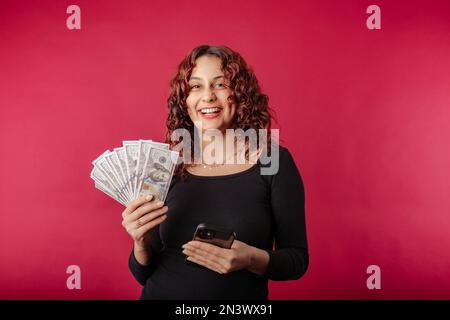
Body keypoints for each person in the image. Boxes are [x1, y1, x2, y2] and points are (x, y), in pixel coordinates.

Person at [121, 45, 309, 299]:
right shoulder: (163, 165)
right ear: (184, 100)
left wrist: (251, 258)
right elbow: (144, 274)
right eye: (196, 86)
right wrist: (140, 243)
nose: (208, 97)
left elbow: (296, 260)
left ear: (240, 94)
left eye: (220, 84)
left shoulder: (273, 161)